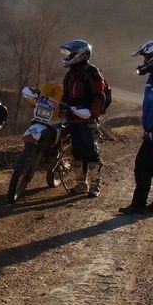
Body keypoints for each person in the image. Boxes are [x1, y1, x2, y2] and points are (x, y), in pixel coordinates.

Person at [119, 40, 153, 215]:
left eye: (146, 57)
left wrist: (149, 129)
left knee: (142, 164)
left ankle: (139, 204)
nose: (143, 62)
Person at [61, 39, 106, 197]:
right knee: (77, 152)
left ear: (80, 54)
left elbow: (98, 97)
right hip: (73, 118)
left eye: (71, 53)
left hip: (87, 119)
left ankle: (95, 185)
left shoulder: (93, 73)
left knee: (91, 152)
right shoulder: (70, 75)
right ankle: (81, 184)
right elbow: (65, 96)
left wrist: (92, 114)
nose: (68, 56)